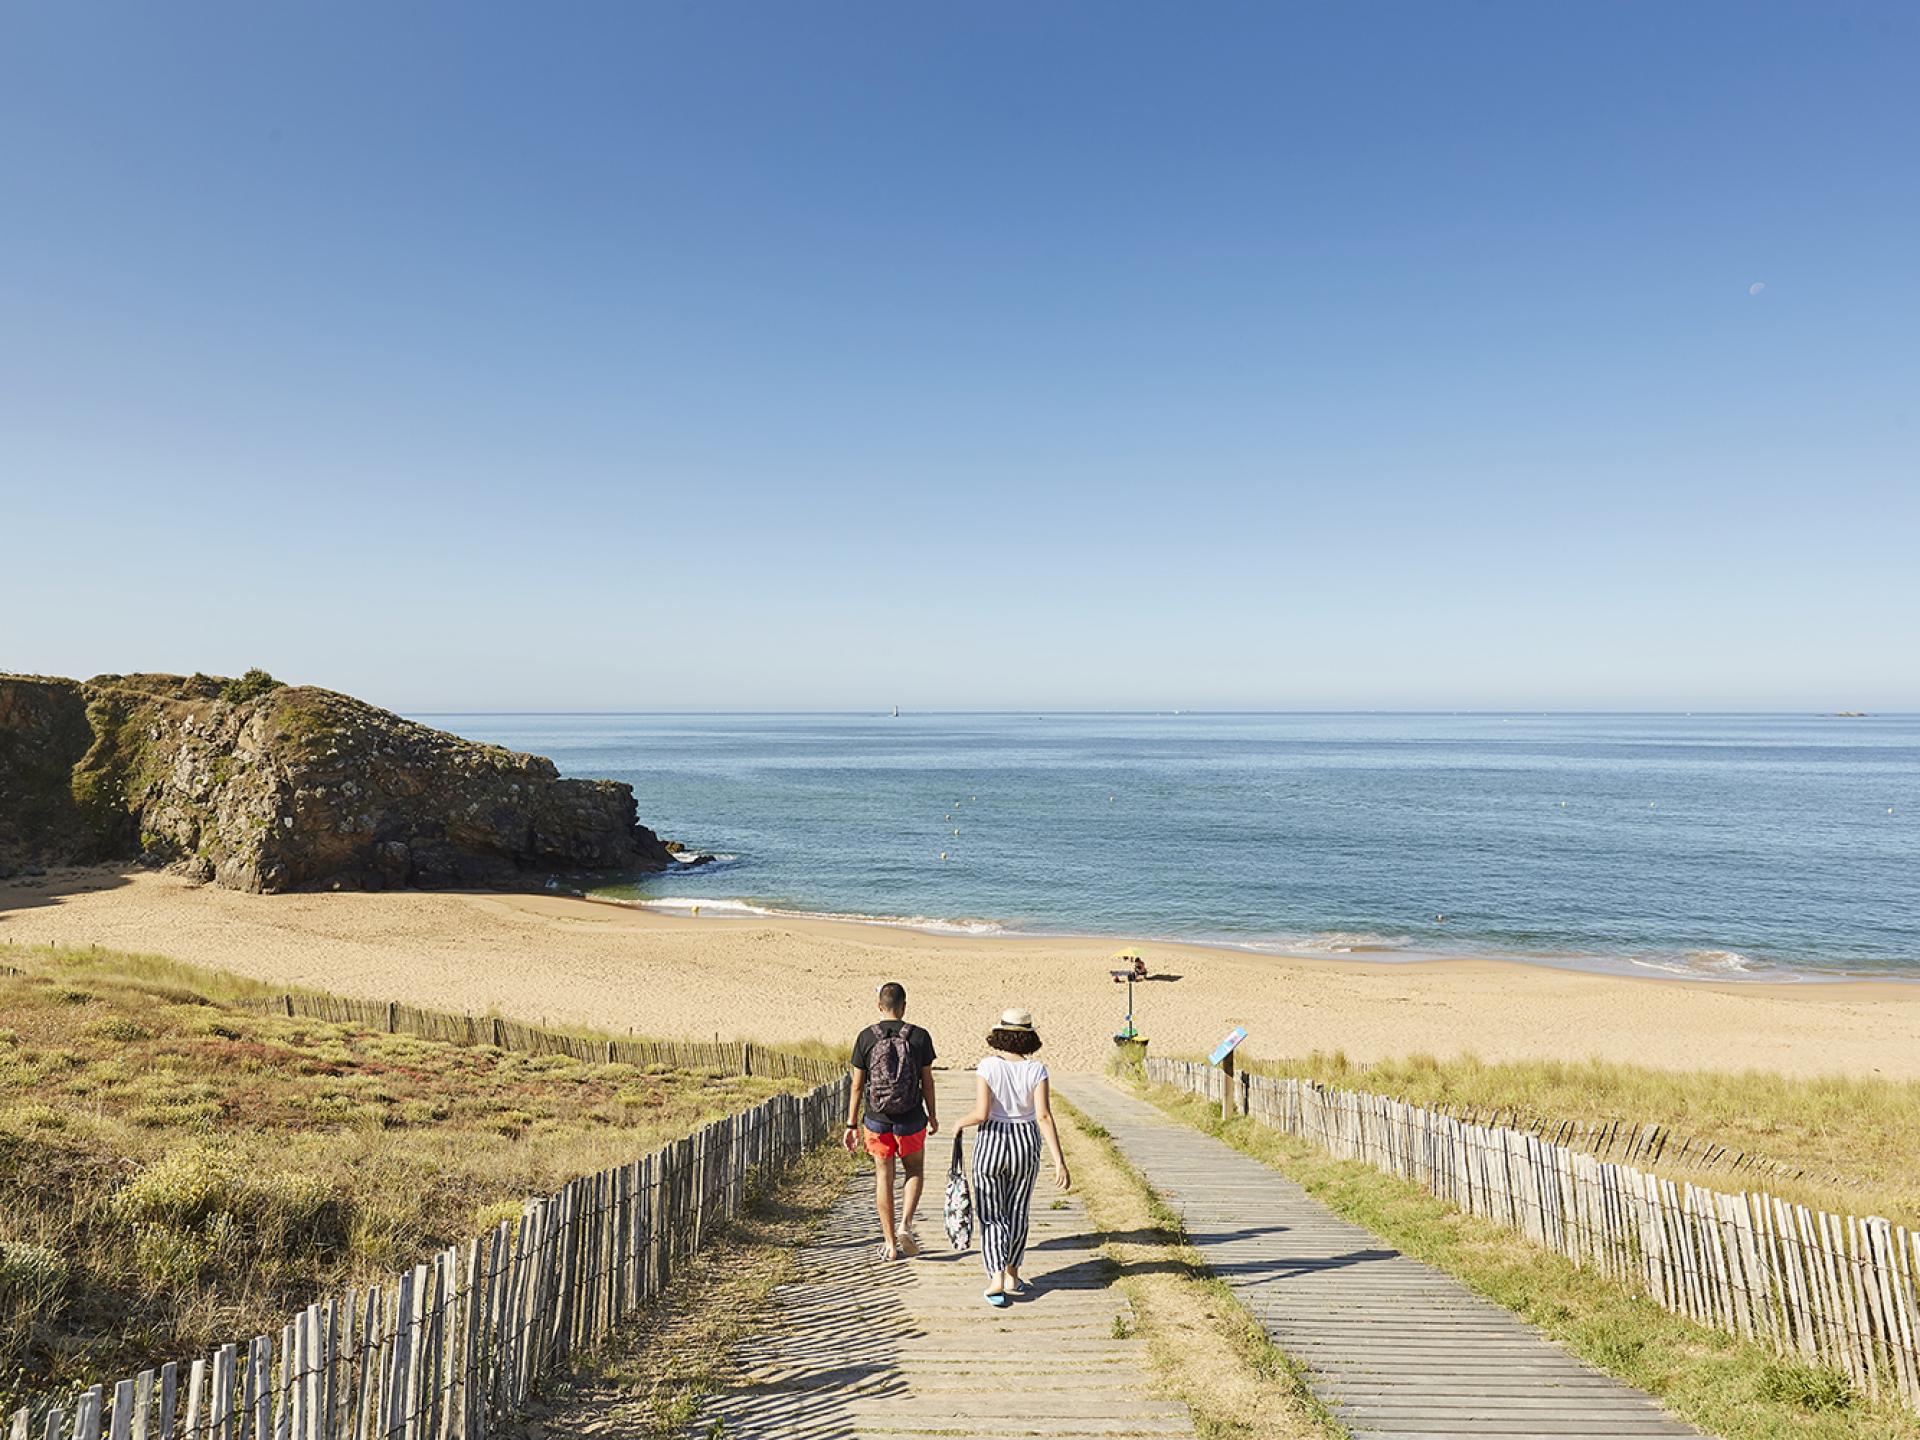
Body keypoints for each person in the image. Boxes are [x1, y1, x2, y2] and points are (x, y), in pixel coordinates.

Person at [952, 1007, 1070, 1307]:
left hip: (992, 1140)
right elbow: (1043, 1115)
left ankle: (995, 1276)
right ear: (1029, 1038)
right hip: (1025, 1143)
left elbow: (981, 1114)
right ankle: (1013, 1273)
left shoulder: (988, 1066)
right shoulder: (1037, 1070)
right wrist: (1059, 1160)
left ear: (1000, 1035)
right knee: (1017, 1211)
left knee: (992, 1214)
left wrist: (958, 1123)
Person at [843, 981, 938, 1260]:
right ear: (904, 1006)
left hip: (877, 1120)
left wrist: (851, 1125)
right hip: (911, 1118)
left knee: (884, 1177)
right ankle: (905, 1224)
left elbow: (857, 1086)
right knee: (914, 1170)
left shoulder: (866, 1037)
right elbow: (927, 1081)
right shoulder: (919, 1037)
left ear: (879, 1007)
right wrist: (932, 1114)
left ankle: (889, 1244)